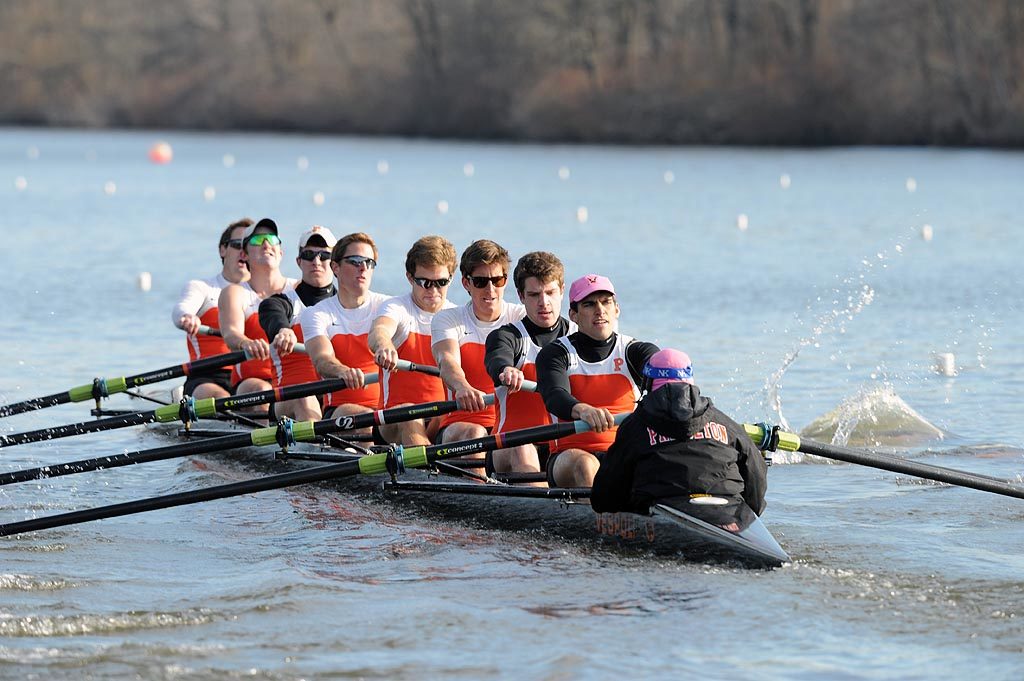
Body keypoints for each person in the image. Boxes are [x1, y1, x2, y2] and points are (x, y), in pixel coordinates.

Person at [591, 349, 768, 522]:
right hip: (728, 508)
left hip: (658, 508)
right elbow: (756, 468)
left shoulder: (635, 425)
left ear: (648, 382)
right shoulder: (725, 422)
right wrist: (750, 517)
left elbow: (605, 498)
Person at [535, 274, 659, 488]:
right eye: (589, 304)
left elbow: (665, 380)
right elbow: (555, 396)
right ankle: (599, 520)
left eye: (606, 302)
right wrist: (583, 410)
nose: (600, 310)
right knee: (586, 465)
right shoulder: (555, 353)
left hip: (623, 454)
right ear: (573, 315)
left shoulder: (636, 351)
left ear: (616, 309)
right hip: (569, 456)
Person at [484, 251, 573, 479]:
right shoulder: (507, 336)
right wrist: (506, 370)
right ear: (521, 296)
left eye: (550, 293)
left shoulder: (578, 337)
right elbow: (497, 359)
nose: (544, 303)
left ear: (562, 290)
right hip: (511, 445)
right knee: (524, 449)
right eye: (534, 295)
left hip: (564, 448)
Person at [431, 240, 525, 445]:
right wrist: (462, 387)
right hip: (462, 422)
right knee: (476, 435)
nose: (490, 289)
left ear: (505, 281)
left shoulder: (522, 317)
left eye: (497, 280)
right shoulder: (448, 319)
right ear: (466, 283)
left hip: (510, 428)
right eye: (481, 281)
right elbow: (447, 361)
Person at [368, 236, 457, 446]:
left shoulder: (457, 316)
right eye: (425, 283)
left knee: (472, 428)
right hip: (395, 418)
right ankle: (428, 471)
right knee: (411, 415)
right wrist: (384, 346)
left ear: (451, 279)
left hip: (440, 417)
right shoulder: (397, 308)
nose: (433, 291)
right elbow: (379, 330)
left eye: (441, 283)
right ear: (410, 278)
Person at [302, 232, 390, 436]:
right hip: (341, 410)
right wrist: (343, 371)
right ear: (335, 268)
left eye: (369, 262)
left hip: (386, 413)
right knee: (365, 420)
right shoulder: (317, 313)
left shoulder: (388, 307)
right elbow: (321, 360)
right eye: (355, 261)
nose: (363, 267)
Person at [258, 226, 338, 421]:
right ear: (299, 261)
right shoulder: (280, 302)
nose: (316, 261)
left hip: (336, 402)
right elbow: (273, 316)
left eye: (324, 255)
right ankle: (314, 447)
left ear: (336, 264)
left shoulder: (348, 309)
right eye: (309, 255)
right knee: (305, 398)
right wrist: (283, 330)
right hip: (290, 399)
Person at [219, 218, 298, 404]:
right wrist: (246, 343)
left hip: (294, 382)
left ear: (281, 252)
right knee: (263, 391)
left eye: (271, 239)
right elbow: (231, 334)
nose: (265, 244)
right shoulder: (235, 293)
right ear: (244, 255)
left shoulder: (299, 288)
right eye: (256, 240)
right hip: (253, 382)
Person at [171, 218, 251, 399]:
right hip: (207, 376)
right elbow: (181, 309)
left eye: (248, 246)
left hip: (251, 376)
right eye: (237, 245)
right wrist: (186, 317)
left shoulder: (265, 295)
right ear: (223, 249)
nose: (243, 252)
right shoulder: (203, 287)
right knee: (223, 399)